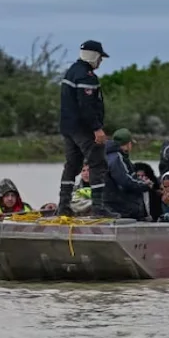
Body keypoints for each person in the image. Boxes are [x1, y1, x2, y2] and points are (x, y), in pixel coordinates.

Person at [57, 39, 111, 216]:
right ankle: (98, 208)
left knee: (72, 165)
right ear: (94, 55)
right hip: (84, 129)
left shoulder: (71, 72)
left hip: (68, 128)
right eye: (100, 58)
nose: (100, 62)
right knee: (97, 162)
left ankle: (63, 206)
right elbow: (86, 106)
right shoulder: (86, 76)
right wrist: (97, 128)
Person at [0, 179, 36, 269]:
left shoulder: (26, 209)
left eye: (13, 195)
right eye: (7, 196)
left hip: (18, 259)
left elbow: (38, 217)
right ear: (1, 198)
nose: (10, 199)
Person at [101, 128, 152, 219]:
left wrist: (138, 180)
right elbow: (125, 181)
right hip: (121, 206)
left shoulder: (106, 155)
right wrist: (145, 185)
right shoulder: (117, 158)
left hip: (108, 203)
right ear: (127, 144)